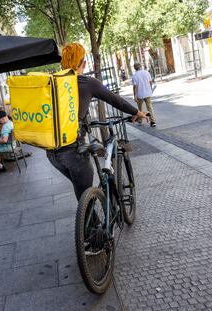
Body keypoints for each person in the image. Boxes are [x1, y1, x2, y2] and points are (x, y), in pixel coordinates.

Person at [46, 43, 149, 201]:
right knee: (86, 195)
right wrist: (137, 112)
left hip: (52, 152)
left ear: (63, 63)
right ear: (84, 63)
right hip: (73, 150)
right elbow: (116, 100)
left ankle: (89, 222)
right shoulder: (87, 82)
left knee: (81, 192)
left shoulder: (52, 83)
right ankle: (92, 225)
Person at [132, 62, 157, 127]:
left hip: (140, 94)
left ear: (134, 68)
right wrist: (150, 90)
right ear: (140, 66)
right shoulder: (146, 72)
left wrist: (135, 95)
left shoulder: (135, 76)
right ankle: (153, 121)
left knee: (140, 108)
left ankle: (140, 120)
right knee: (150, 108)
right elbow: (150, 82)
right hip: (148, 93)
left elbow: (135, 86)